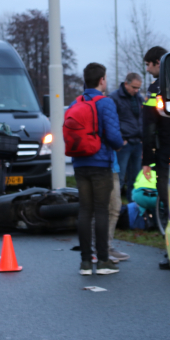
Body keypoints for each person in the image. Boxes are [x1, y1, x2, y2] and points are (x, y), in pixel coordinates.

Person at [68, 62, 123, 276]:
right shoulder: (105, 102)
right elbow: (113, 136)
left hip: (80, 164)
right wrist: (119, 144)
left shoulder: (75, 102)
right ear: (102, 80)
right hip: (100, 164)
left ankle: (84, 263)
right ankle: (102, 261)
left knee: (85, 211)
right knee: (101, 210)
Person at [141, 46, 170, 269]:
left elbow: (149, 127)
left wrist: (146, 160)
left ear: (158, 62)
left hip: (166, 153)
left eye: (148, 65)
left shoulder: (155, 90)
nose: (148, 70)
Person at [109, 72, 144, 199]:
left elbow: (142, 119)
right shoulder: (114, 98)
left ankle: (132, 207)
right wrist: (120, 139)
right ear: (126, 84)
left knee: (135, 179)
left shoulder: (139, 98)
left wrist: (142, 138)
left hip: (137, 143)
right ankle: (115, 207)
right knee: (119, 178)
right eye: (134, 87)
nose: (136, 90)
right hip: (123, 144)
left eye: (138, 88)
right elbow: (111, 121)